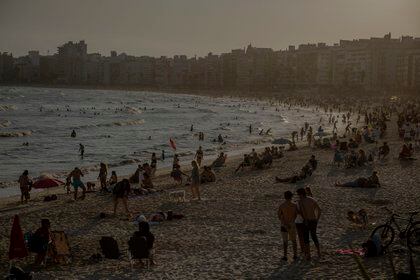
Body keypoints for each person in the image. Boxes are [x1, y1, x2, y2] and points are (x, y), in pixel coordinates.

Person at [296, 188, 321, 260]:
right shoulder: (311, 199)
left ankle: (309, 255)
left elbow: (303, 212)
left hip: (306, 221)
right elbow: (319, 210)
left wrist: (305, 219)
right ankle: (319, 251)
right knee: (314, 236)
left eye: (298, 194)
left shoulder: (300, 202)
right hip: (313, 220)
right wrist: (317, 219)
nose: (298, 196)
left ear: (300, 194)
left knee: (306, 237)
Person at [277, 191, 298, 261]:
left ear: (285, 197)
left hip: (284, 225)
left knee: (285, 241)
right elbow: (296, 215)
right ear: (291, 197)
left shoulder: (282, 205)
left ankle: (285, 255)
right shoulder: (294, 205)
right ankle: (295, 255)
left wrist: (284, 222)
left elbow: (279, 216)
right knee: (294, 241)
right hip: (292, 224)